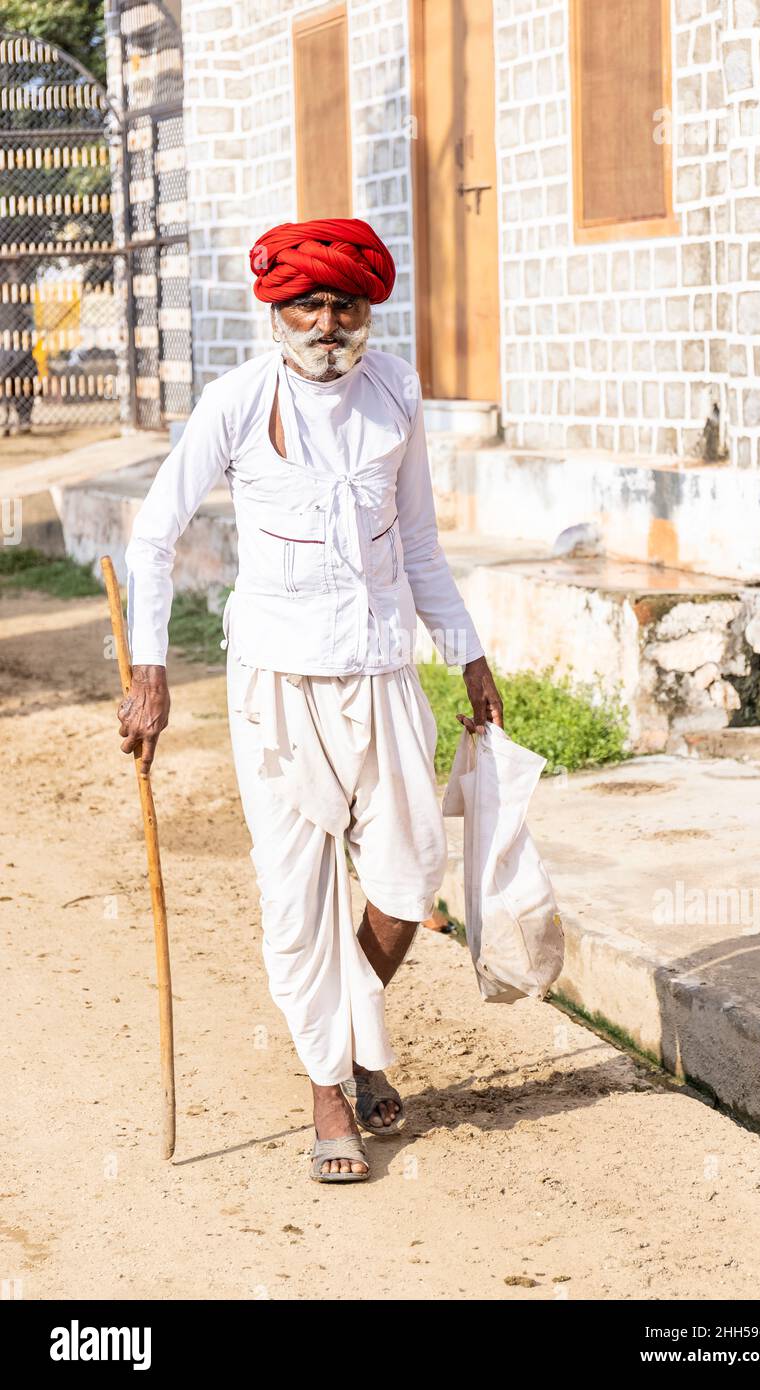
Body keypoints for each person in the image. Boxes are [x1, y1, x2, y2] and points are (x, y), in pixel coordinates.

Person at [117, 216, 503, 1184]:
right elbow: (153, 535)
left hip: (379, 672)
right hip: (275, 685)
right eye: (309, 306)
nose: (328, 323)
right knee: (295, 901)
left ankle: (356, 1026)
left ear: (369, 311)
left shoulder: (398, 394)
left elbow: (417, 542)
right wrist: (152, 670)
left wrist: (468, 655)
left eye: (345, 305)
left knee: (410, 879)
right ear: (277, 315)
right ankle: (330, 1085)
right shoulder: (238, 403)